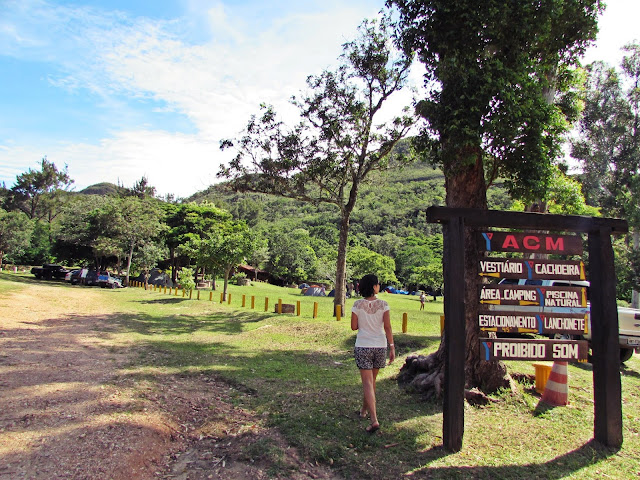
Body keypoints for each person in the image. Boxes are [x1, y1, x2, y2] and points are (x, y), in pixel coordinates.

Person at [351, 274, 395, 433]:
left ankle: (374, 419)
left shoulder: (357, 305)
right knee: (372, 382)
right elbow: (388, 327)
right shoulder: (384, 304)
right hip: (380, 346)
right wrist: (392, 347)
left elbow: (354, 327)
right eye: (378, 284)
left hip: (363, 346)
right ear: (374, 286)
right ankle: (363, 411)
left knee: (368, 383)